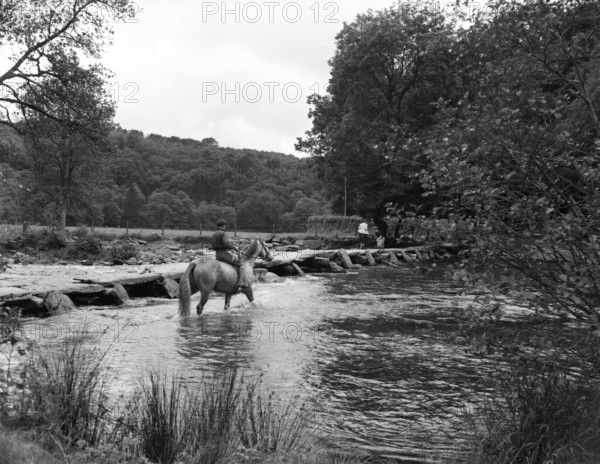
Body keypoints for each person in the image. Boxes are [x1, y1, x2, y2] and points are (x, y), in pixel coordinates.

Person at [210, 219, 250, 290]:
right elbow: (226, 243)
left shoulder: (214, 234)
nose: (225, 227)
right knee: (241, 264)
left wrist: (236, 241)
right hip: (224, 254)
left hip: (217, 255)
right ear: (223, 226)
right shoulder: (223, 233)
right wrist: (234, 247)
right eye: (225, 226)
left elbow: (221, 243)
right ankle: (240, 282)